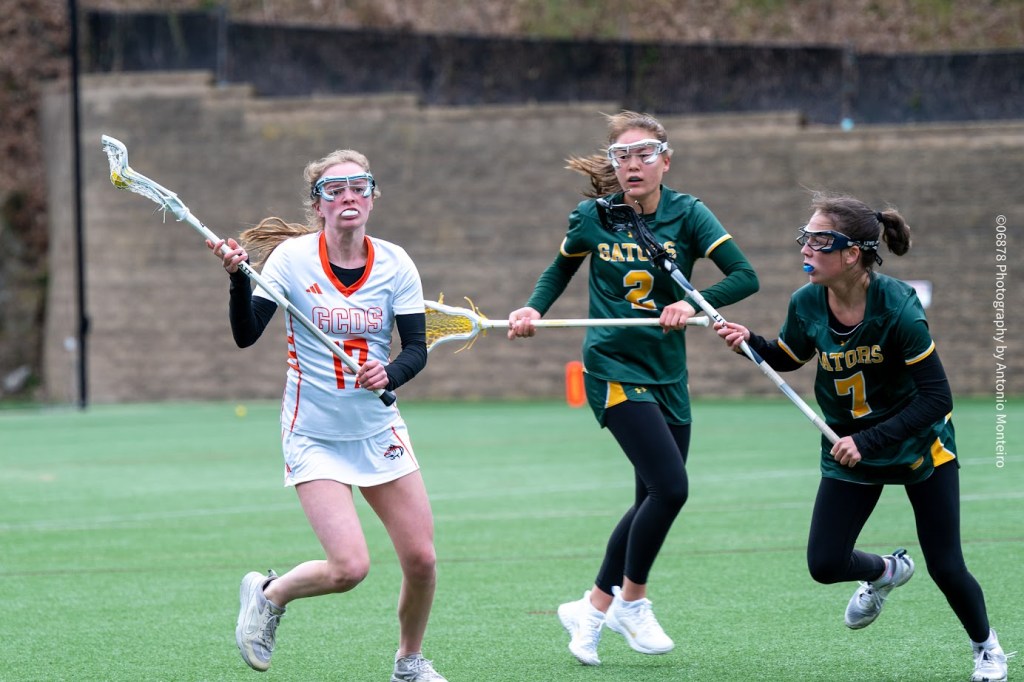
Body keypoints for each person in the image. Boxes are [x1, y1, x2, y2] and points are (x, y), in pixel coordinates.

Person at [715, 193, 1008, 682]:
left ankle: (987, 648)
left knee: (946, 565)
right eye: (805, 237)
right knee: (825, 563)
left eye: (818, 241)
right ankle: (885, 571)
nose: (805, 248)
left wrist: (869, 441)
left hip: (918, 445)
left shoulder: (898, 308)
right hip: (847, 447)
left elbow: (936, 398)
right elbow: (789, 355)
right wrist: (750, 344)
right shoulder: (806, 301)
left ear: (852, 253)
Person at [507, 110, 759, 666]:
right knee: (671, 489)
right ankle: (632, 601)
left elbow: (745, 276)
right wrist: (532, 308)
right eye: (622, 156)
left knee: (650, 497)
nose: (633, 165)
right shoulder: (593, 217)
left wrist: (691, 303)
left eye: (645, 154)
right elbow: (560, 269)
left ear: (666, 161)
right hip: (613, 367)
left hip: (668, 373)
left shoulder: (689, 214)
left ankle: (593, 606)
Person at [206, 149, 447, 682]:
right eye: (334, 190)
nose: (348, 197)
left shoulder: (396, 263)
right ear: (318, 205)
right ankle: (270, 593)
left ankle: (409, 663)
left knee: (422, 560)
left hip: (377, 429)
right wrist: (238, 280)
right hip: (313, 433)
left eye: (359, 187)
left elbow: (415, 348)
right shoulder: (292, 260)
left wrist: (390, 373)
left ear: (372, 197)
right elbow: (246, 334)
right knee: (349, 568)